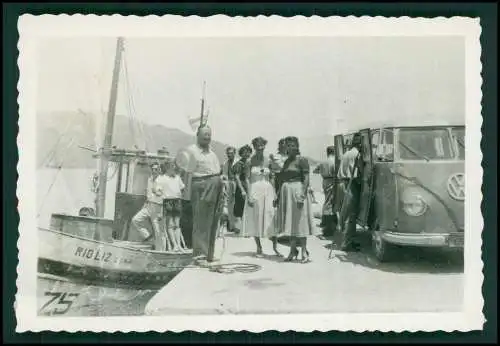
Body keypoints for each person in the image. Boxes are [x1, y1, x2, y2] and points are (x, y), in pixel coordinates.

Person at [177, 126, 224, 265]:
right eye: (204, 134)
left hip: (215, 185)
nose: (207, 137)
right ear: (197, 135)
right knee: (201, 221)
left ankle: (209, 254)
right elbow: (185, 173)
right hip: (201, 185)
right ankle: (199, 256)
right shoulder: (191, 151)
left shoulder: (212, 153)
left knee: (212, 221)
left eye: (209, 135)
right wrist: (184, 194)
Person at [277, 136, 318, 263]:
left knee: (301, 222)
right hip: (286, 192)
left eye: (292, 145)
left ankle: (304, 252)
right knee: (290, 222)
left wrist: (302, 195)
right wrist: (277, 195)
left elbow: (306, 179)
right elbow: (282, 178)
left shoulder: (302, 161)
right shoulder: (286, 161)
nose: (290, 147)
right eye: (288, 145)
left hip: (298, 191)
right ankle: (292, 250)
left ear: (297, 146)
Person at [239, 137, 283, 257]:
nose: (260, 148)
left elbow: (273, 176)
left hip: (268, 190)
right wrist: (249, 195)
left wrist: (275, 193)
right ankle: (259, 247)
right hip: (255, 189)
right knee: (256, 217)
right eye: (258, 146)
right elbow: (247, 179)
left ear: (264, 146)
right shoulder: (249, 161)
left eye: (262, 146)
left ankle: (275, 248)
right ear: (254, 147)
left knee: (271, 216)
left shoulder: (269, 159)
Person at [131, 161, 166, 251]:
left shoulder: (163, 180)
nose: (154, 171)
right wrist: (145, 205)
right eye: (153, 169)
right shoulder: (149, 179)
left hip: (158, 207)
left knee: (158, 231)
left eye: (156, 169)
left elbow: (164, 196)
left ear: (159, 170)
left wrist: (162, 211)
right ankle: (148, 237)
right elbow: (148, 194)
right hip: (148, 205)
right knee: (135, 220)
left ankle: (160, 251)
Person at [337, 132, 363, 252]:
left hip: (342, 184)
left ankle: (345, 240)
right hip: (350, 185)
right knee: (350, 215)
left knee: (344, 214)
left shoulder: (346, 153)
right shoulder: (357, 154)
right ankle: (346, 243)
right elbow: (360, 173)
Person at [161, 161, 188, 253]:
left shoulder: (177, 177)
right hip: (168, 201)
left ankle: (179, 245)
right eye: (172, 167)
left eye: (174, 167)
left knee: (177, 225)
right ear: (167, 168)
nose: (173, 169)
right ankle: (175, 245)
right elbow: (158, 190)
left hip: (177, 201)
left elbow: (182, 188)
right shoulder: (163, 178)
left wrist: (179, 195)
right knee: (170, 225)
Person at [316, 145, 338, 237]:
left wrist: (322, 171)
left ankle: (324, 221)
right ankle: (328, 225)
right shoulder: (333, 161)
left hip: (324, 180)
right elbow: (336, 173)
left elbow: (315, 171)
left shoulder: (322, 162)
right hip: (331, 181)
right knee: (330, 202)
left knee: (326, 201)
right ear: (334, 152)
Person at [232, 144, 253, 234]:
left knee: (246, 208)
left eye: (248, 152)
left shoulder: (248, 163)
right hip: (241, 188)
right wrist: (242, 190)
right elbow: (237, 177)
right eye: (245, 152)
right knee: (239, 208)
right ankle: (239, 229)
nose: (247, 154)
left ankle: (245, 229)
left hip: (248, 187)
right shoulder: (239, 164)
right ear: (241, 153)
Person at [221, 146, 237, 232]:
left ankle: (238, 226)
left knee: (238, 205)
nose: (229, 155)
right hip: (229, 184)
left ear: (235, 153)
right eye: (228, 153)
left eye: (231, 153)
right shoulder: (225, 163)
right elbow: (224, 175)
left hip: (238, 184)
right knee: (230, 205)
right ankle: (232, 226)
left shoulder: (238, 162)